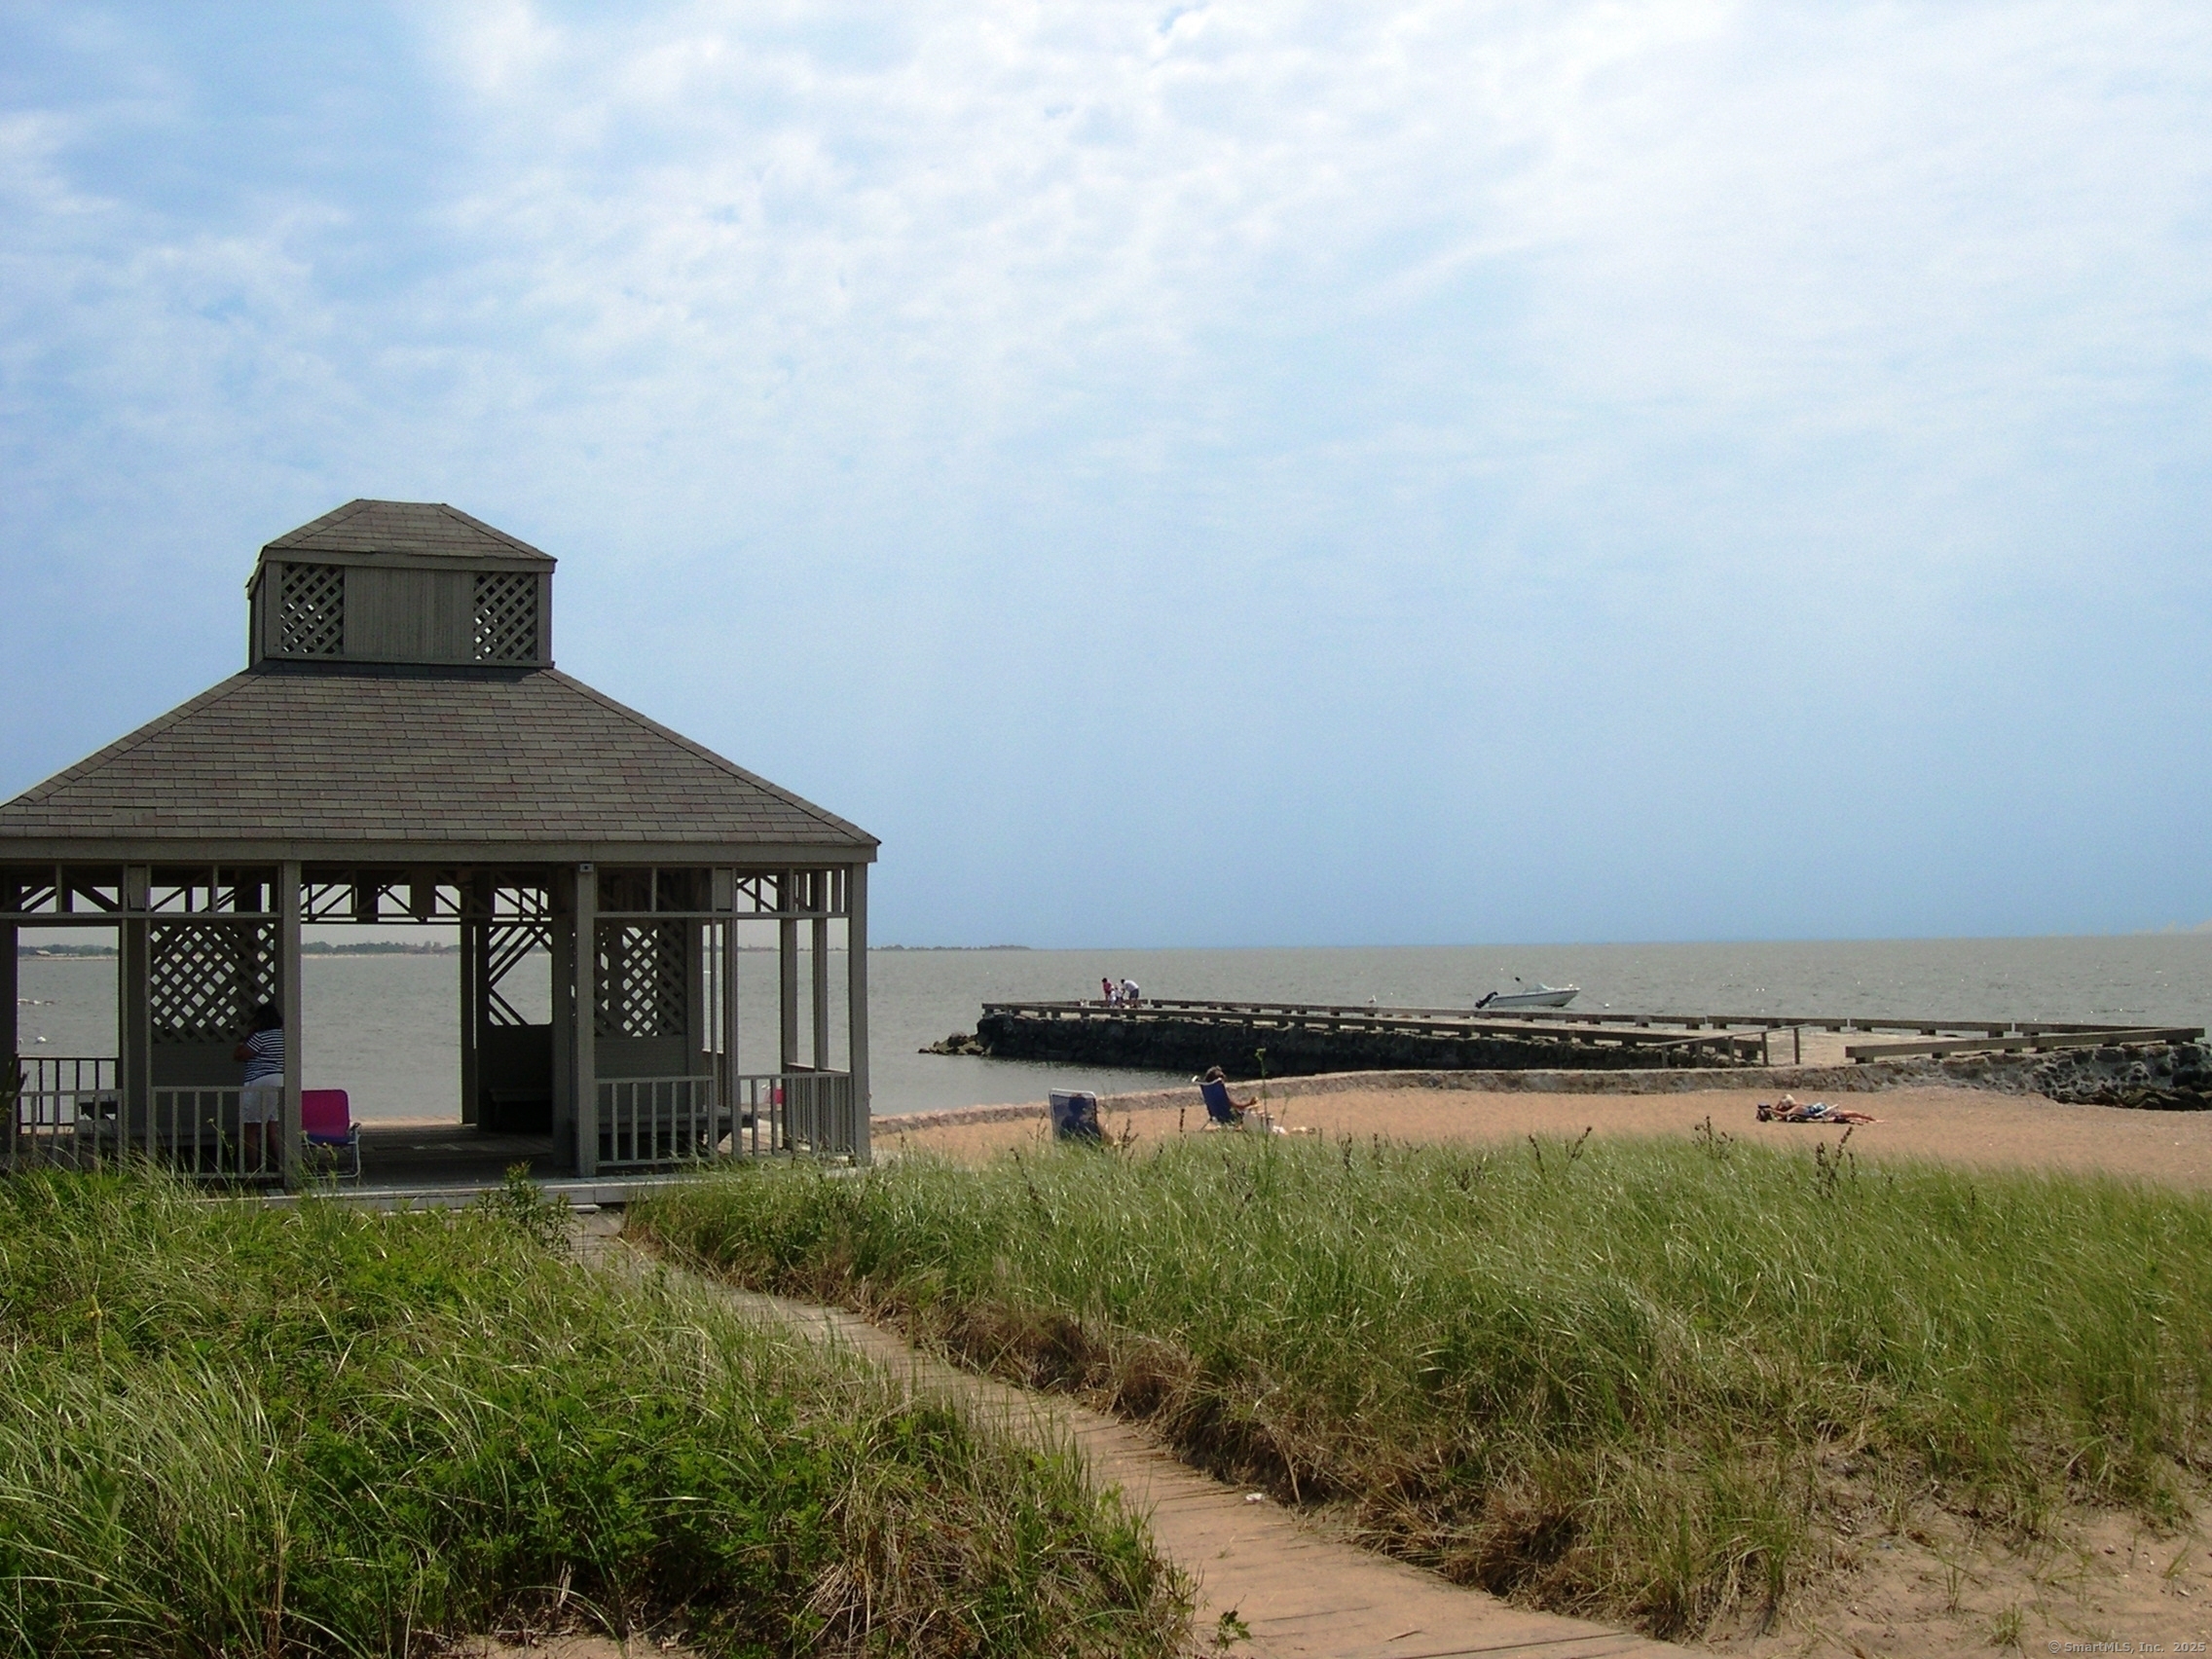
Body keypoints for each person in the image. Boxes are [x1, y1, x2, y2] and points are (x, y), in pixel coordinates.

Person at [233, 1002, 284, 1172]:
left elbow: (240, 1056)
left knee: (251, 1128)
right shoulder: (283, 1036)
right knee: (273, 1128)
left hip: (260, 1080)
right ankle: (283, 1167)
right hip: (279, 1079)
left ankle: (253, 1170)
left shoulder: (260, 1037)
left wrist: (244, 1040)